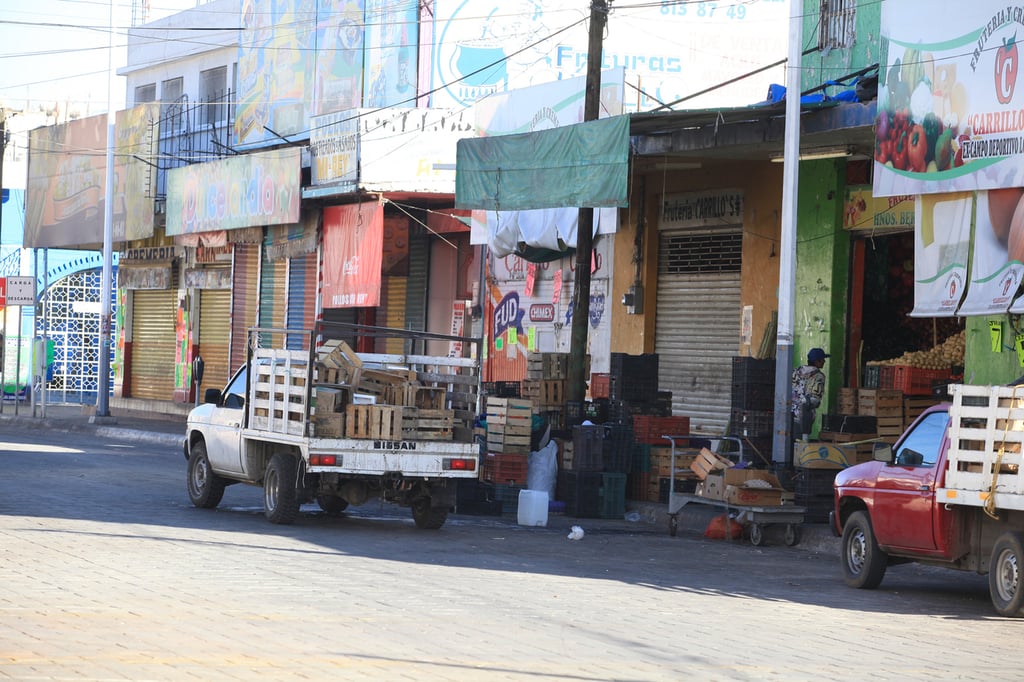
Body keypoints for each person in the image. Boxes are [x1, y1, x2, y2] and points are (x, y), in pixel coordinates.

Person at [792, 347, 828, 439]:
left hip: (789, 415)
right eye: (822, 359)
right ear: (817, 361)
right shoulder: (819, 376)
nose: (824, 361)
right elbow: (815, 399)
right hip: (803, 419)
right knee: (801, 447)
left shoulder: (795, 372)